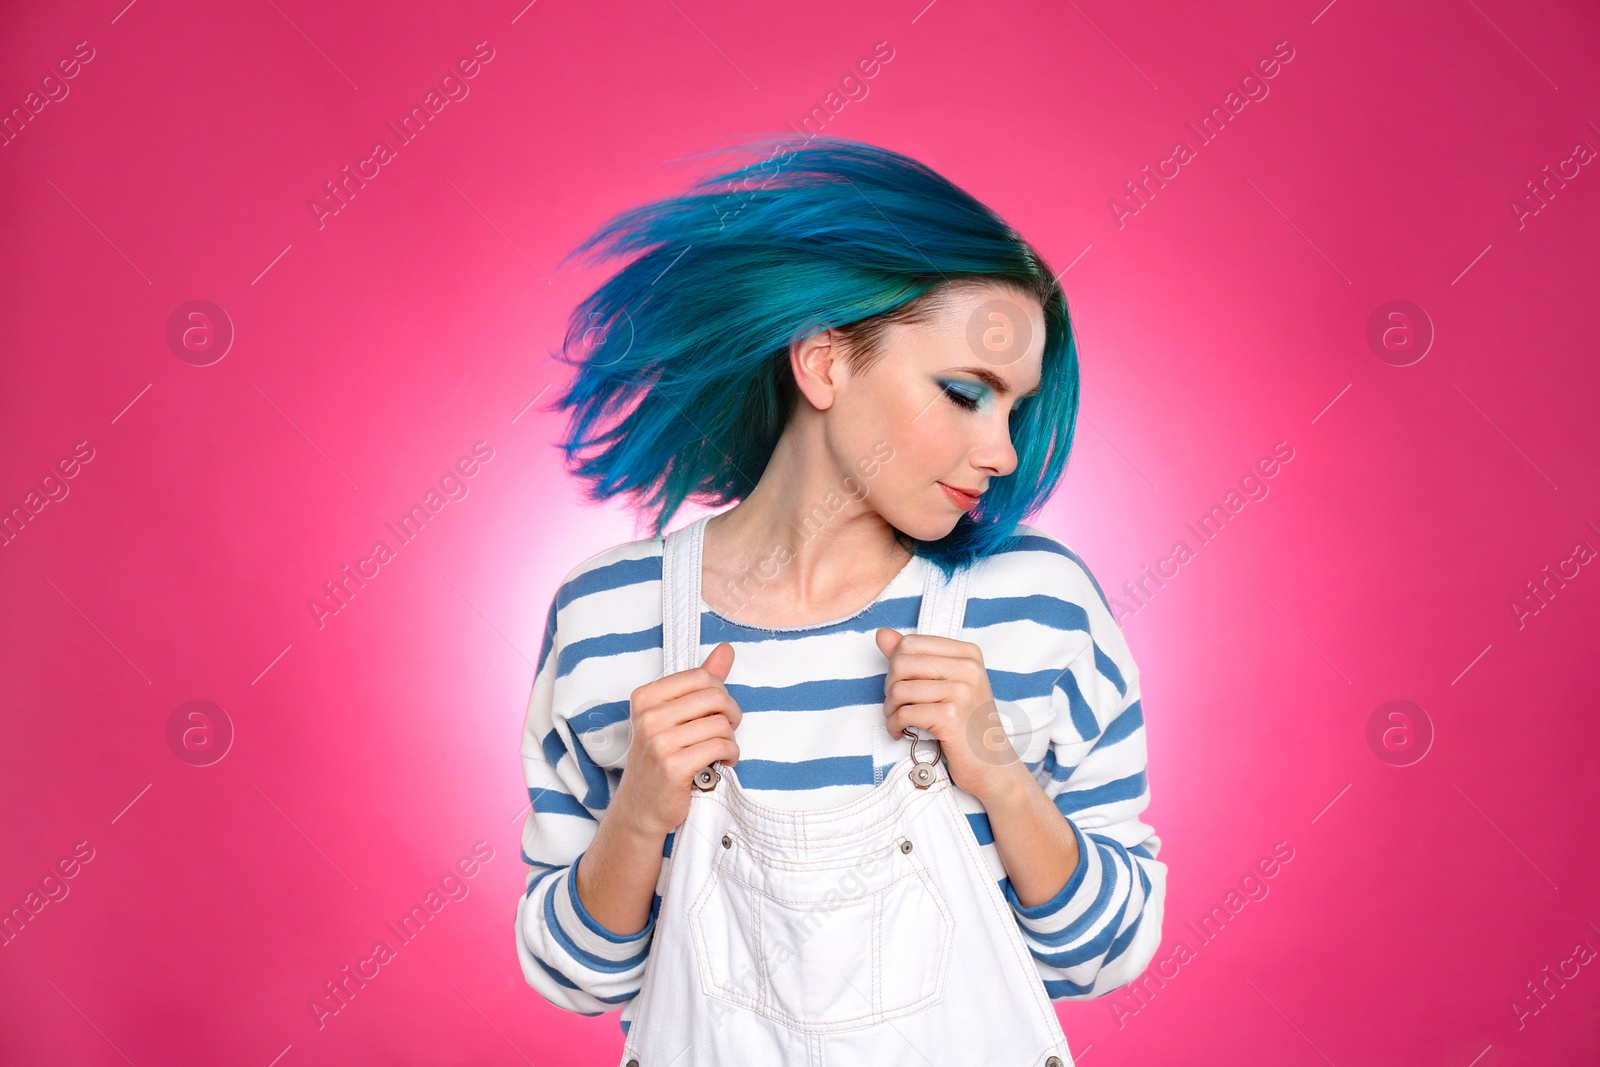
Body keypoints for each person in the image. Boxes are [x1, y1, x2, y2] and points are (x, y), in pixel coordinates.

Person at [515, 137, 1165, 1060]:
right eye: (964, 392)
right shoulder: (609, 616)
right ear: (824, 363)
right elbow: (577, 975)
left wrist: (999, 775)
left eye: (1013, 408)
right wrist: (637, 815)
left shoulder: (1038, 608)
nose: (1005, 452)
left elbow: (1109, 949)